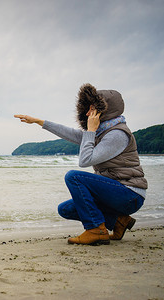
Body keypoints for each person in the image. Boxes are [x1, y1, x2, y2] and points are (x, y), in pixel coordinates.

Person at [14, 83, 147, 245]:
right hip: (116, 192)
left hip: (130, 194)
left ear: (105, 110)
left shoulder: (118, 134)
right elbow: (73, 134)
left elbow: (85, 161)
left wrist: (90, 131)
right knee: (66, 209)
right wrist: (39, 122)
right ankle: (119, 221)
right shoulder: (102, 132)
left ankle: (96, 230)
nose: (87, 113)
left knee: (74, 177)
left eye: (92, 109)